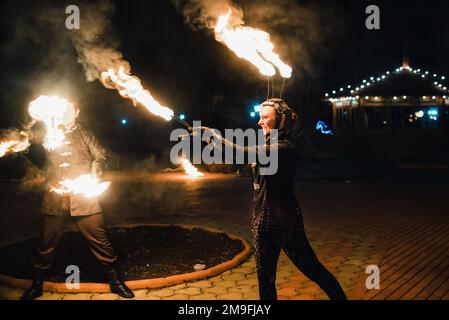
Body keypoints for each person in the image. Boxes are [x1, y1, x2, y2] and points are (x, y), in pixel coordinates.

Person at [203, 98, 347, 300]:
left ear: (281, 121)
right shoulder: (267, 145)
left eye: (265, 117)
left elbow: (240, 154)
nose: (259, 122)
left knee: (312, 269)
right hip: (261, 222)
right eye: (260, 117)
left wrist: (214, 137)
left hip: (284, 221)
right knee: (265, 278)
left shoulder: (284, 148)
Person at [20, 100, 134, 300]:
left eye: (69, 110)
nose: (64, 113)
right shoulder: (49, 133)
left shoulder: (86, 134)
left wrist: (97, 166)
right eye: (61, 110)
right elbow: (29, 143)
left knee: (100, 241)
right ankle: (37, 285)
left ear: (77, 112)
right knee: (47, 243)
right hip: (55, 198)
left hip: (83, 197)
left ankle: (115, 282)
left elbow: (100, 155)